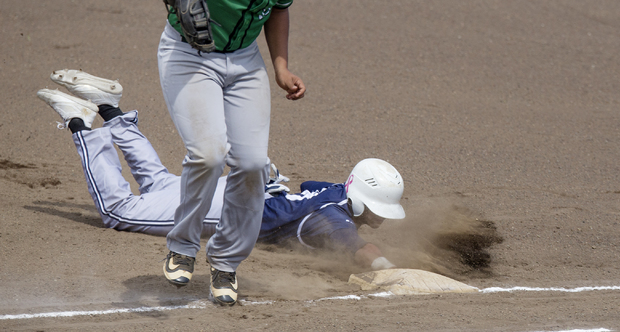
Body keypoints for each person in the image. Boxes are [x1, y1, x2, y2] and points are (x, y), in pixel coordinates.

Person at [37, 71, 405, 293]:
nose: (381, 217)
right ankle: (81, 123)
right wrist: (393, 271)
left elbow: (308, 185)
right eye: (376, 209)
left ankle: (109, 107)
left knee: (160, 184)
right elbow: (361, 249)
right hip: (231, 207)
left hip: (242, 188)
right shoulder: (334, 220)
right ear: (359, 200)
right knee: (120, 210)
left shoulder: (332, 192)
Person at [156, 0, 331, 305]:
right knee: (209, 153)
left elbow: (278, 10)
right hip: (190, 56)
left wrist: (281, 67)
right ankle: (182, 247)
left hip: (245, 61)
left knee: (252, 164)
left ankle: (226, 264)